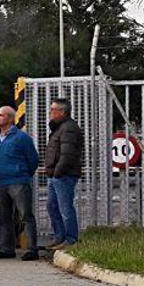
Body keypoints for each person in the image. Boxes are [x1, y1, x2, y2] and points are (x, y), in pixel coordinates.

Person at [0, 106, 40, 260]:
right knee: (4, 217)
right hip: (0, 182)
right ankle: (7, 248)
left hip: (18, 181)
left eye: (2, 115)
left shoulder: (21, 138)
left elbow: (33, 159)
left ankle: (32, 249)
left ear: (11, 118)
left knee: (25, 215)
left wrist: (23, 173)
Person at [43, 98, 83, 250]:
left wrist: (57, 172)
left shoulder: (68, 128)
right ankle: (59, 236)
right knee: (52, 206)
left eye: (53, 110)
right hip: (56, 175)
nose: (50, 113)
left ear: (62, 112)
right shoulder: (59, 128)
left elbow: (67, 155)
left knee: (65, 208)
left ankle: (70, 239)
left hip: (64, 175)